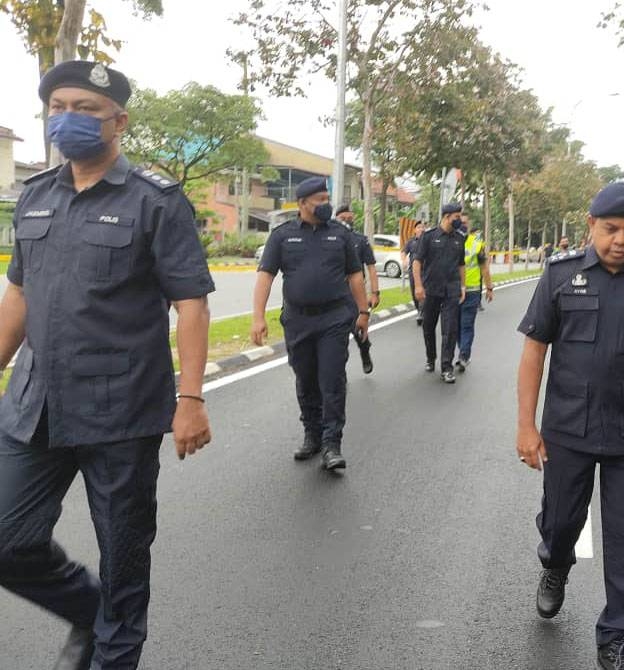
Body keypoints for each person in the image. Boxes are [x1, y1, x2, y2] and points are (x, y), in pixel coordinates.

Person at [0, 60, 214, 670]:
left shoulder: (155, 201)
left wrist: (191, 398)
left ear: (118, 120)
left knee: (124, 561)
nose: (68, 119)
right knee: (6, 540)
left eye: (86, 109)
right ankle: (87, 613)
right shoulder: (35, 196)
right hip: (33, 405)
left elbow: (191, 302)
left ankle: (112, 648)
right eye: (58, 106)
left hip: (122, 410)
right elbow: (19, 294)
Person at [516, 182, 624, 670]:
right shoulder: (561, 276)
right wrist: (526, 426)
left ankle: (617, 635)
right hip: (567, 429)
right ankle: (555, 562)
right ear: (591, 225)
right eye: (611, 229)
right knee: (562, 519)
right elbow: (534, 352)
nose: (620, 240)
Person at [252, 177, 369, 471]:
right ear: (302, 203)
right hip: (298, 319)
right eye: (319, 199)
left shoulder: (340, 235)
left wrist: (363, 311)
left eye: (326, 198)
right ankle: (312, 435)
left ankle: (332, 444)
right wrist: (258, 316)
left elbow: (355, 275)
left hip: (334, 318)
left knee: (332, 379)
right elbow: (265, 276)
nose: (325, 204)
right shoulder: (282, 236)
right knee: (305, 379)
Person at [412, 203, 466, 383]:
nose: (459, 220)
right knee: (428, 326)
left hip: (452, 290)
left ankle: (446, 368)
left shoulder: (460, 238)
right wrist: (418, 286)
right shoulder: (429, 237)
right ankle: (430, 357)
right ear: (446, 216)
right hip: (431, 290)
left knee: (450, 329)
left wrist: (463, 287)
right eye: (456, 217)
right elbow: (417, 262)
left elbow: (461, 264)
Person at [334, 204, 379, 374]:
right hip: (335, 295)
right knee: (337, 338)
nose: (346, 222)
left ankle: (364, 350)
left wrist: (375, 293)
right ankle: (339, 374)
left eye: (349, 219)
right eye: (342, 219)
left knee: (358, 330)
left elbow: (371, 267)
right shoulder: (328, 239)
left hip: (355, 295)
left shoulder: (360, 240)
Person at [456, 224, 494, 372]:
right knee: (456, 326)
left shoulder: (477, 245)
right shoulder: (451, 242)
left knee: (466, 324)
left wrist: (489, 288)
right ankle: (463, 351)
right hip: (454, 291)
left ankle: (464, 356)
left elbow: (484, 268)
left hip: (472, 291)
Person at [402, 220, 426, 324]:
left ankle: (422, 312)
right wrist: (404, 260)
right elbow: (403, 252)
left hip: (425, 271)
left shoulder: (427, 240)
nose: (421, 229)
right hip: (413, 271)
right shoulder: (411, 241)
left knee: (424, 291)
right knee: (414, 292)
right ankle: (419, 310)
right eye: (419, 227)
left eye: (422, 227)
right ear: (415, 230)